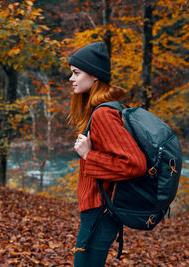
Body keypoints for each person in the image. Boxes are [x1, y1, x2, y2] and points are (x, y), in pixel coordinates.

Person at [68, 41, 147, 266]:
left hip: (99, 211)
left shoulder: (103, 114)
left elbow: (135, 164)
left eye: (76, 72)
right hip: (97, 210)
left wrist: (88, 155)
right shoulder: (102, 110)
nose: (70, 79)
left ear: (94, 76)